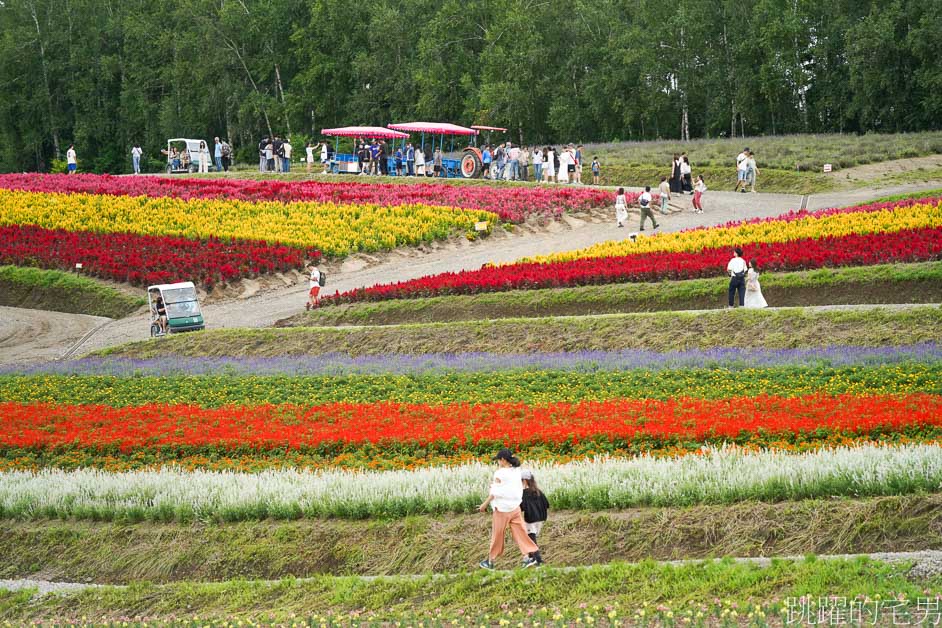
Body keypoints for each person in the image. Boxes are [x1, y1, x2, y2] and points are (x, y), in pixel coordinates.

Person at [478, 448, 540, 570]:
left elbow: (495, 491)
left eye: (498, 460)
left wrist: (484, 505)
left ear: (502, 460)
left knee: (497, 535)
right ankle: (528, 558)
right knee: (520, 533)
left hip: (502, 509)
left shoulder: (500, 473)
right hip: (515, 508)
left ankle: (490, 561)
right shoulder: (517, 470)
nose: (497, 463)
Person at [520, 469, 548, 566]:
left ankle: (538, 560)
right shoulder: (538, 491)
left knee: (531, 539)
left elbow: (521, 507)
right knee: (532, 538)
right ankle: (532, 560)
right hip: (540, 519)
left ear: (524, 481)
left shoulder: (524, 493)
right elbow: (547, 504)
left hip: (530, 519)